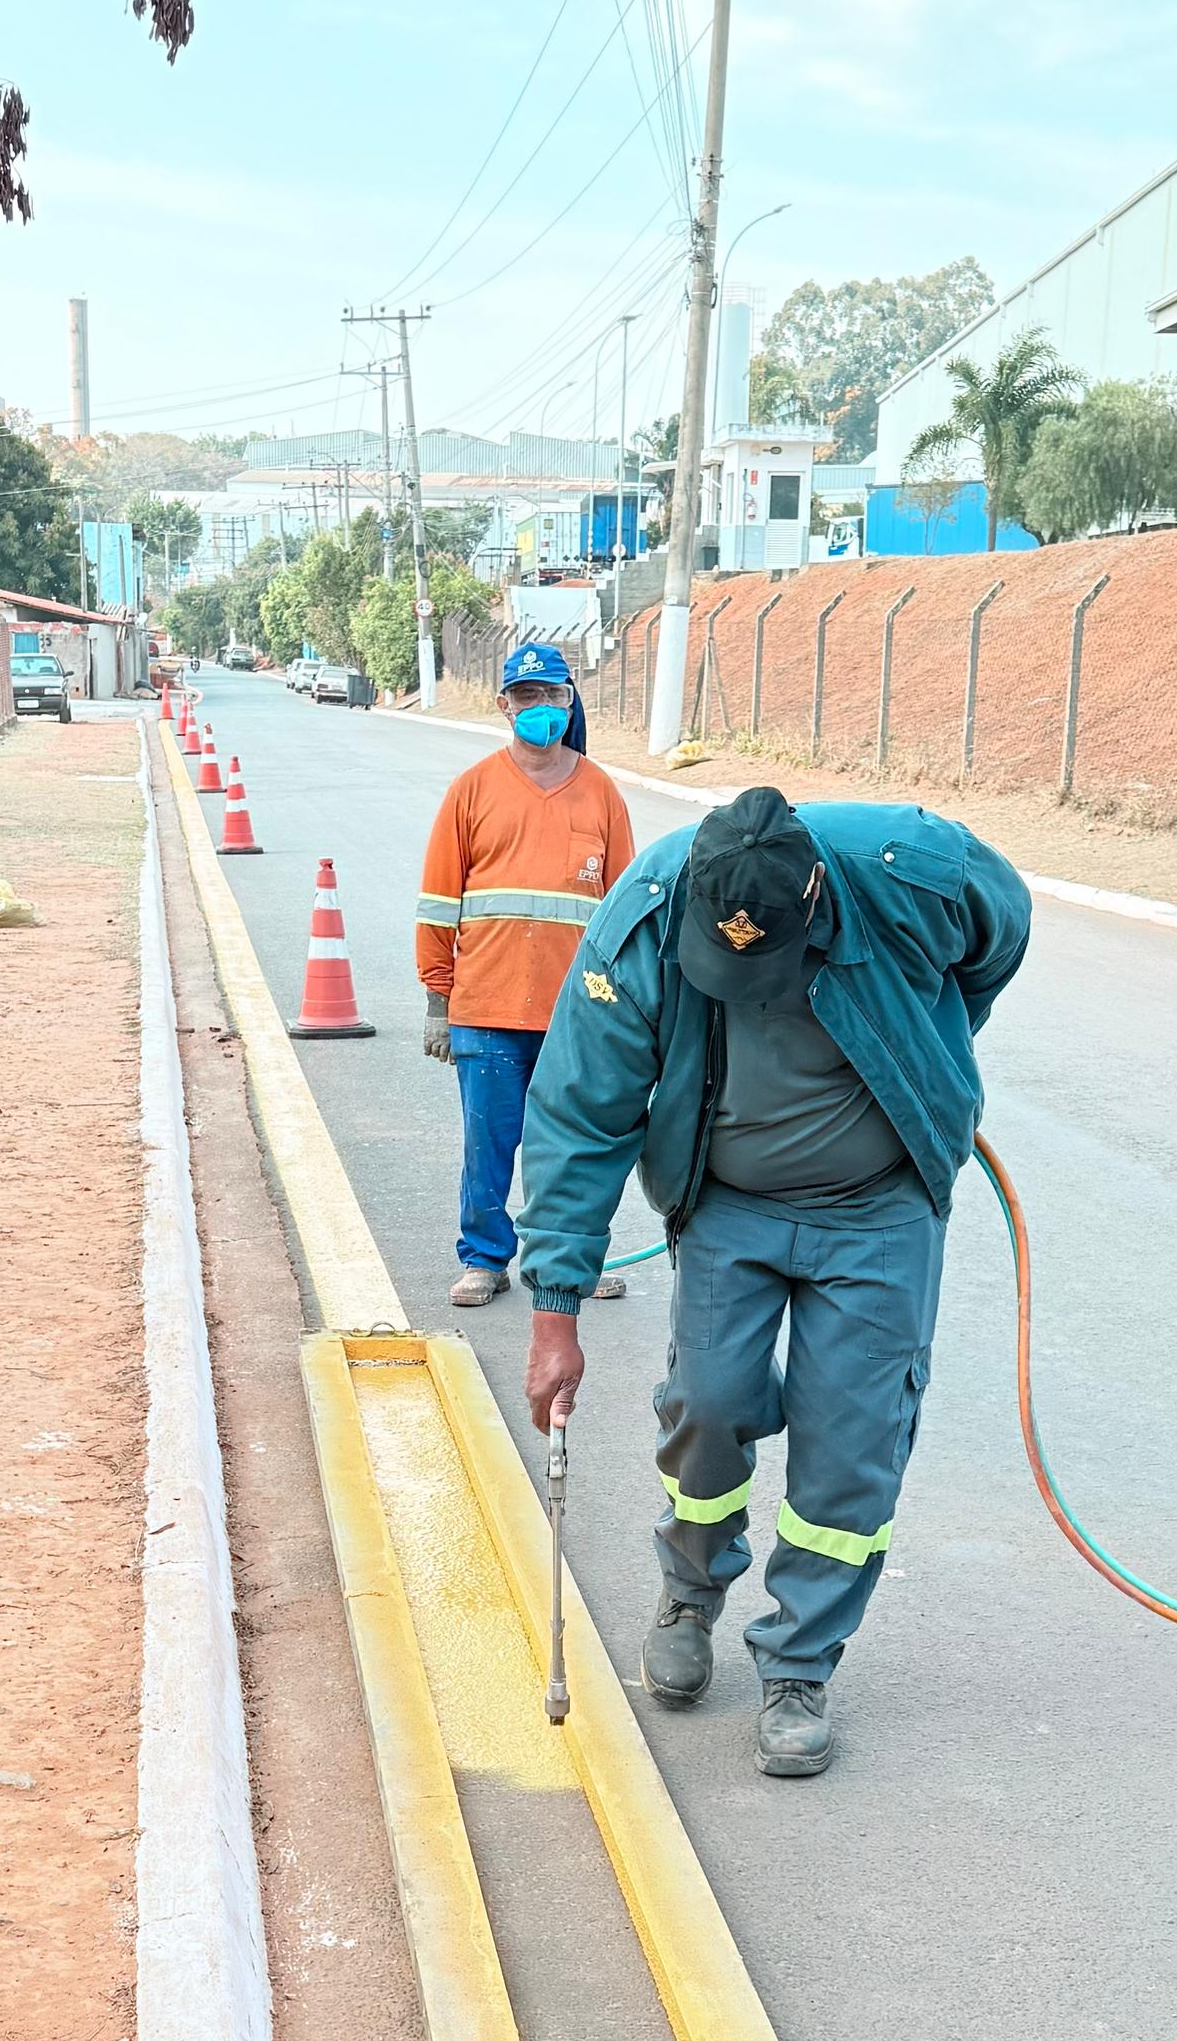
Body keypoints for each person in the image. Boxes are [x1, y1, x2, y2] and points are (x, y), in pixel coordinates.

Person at [515, 780, 1030, 1780]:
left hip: (878, 1209)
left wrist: (933, 1047)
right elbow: (581, 1109)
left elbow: (997, 939)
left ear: (816, 900)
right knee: (708, 1404)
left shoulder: (909, 869)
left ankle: (799, 1663)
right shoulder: (653, 914)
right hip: (730, 1206)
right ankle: (690, 1587)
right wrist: (555, 1306)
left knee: (853, 1439)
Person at [414, 640, 636, 1311]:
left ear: (571, 702)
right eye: (528, 696)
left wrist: (629, 1010)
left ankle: (568, 1261)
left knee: (571, 1147)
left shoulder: (599, 792)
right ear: (504, 704)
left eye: (555, 695)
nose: (543, 708)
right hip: (485, 1006)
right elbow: (436, 901)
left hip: (578, 1012)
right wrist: (437, 999)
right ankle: (484, 1259)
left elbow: (626, 907)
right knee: (489, 1143)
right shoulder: (472, 790)